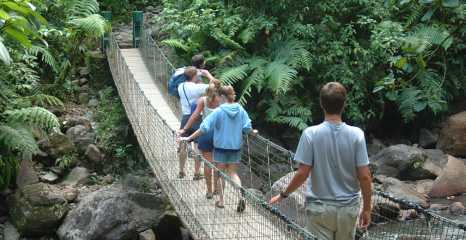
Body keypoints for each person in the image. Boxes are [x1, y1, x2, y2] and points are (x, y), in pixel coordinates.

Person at [270, 82, 372, 240]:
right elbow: (365, 176)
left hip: (319, 209)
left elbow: (302, 173)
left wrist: (283, 195)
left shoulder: (310, 134)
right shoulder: (357, 135)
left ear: (321, 104)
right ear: (344, 104)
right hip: (348, 209)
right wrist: (366, 208)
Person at [179, 86, 256, 212]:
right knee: (232, 173)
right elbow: (247, 128)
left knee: (219, 174)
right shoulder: (241, 109)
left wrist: (188, 138)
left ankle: (221, 201)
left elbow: (203, 128)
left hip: (220, 148)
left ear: (223, 97)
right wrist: (253, 132)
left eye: (219, 97)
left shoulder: (219, 111)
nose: (218, 99)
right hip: (236, 147)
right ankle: (240, 196)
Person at [178, 81, 222, 199]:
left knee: (208, 163)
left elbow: (195, 115)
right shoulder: (222, 100)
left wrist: (184, 129)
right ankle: (217, 189)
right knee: (218, 163)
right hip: (220, 134)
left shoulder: (203, 100)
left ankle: (209, 191)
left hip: (206, 133)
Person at [178, 66, 215, 180]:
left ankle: (181, 170)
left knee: (183, 144)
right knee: (198, 147)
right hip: (197, 117)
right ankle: (197, 172)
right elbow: (216, 87)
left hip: (185, 117)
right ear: (195, 76)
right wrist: (207, 74)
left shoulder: (181, 86)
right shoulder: (198, 88)